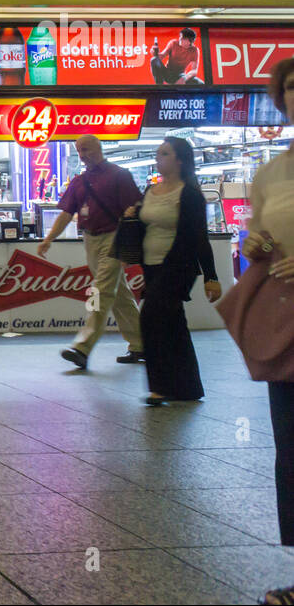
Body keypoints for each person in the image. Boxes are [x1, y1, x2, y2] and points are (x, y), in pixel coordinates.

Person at [241, 56, 294, 604]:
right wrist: (254, 246)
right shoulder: (273, 172)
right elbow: (257, 238)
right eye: (291, 87)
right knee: (293, 449)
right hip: (288, 324)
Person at [123, 138, 222, 405]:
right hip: (152, 267)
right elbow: (143, 225)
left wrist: (211, 277)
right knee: (174, 324)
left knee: (151, 318)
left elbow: (200, 238)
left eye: (164, 154)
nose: (158, 158)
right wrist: (133, 214)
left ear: (180, 160)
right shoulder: (150, 191)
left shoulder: (189, 194)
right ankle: (188, 388)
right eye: (157, 154)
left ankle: (160, 387)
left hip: (178, 267)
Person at [38, 134, 144, 370]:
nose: (83, 155)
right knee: (118, 295)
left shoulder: (119, 175)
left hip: (114, 238)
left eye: (86, 149)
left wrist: (132, 215)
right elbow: (66, 214)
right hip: (90, 240)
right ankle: (140, 344)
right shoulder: (79, 181)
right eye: (79, 151)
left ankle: (82, 347)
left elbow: (136, 206)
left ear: (99, 148)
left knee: (100, 290)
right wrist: (49, 239)